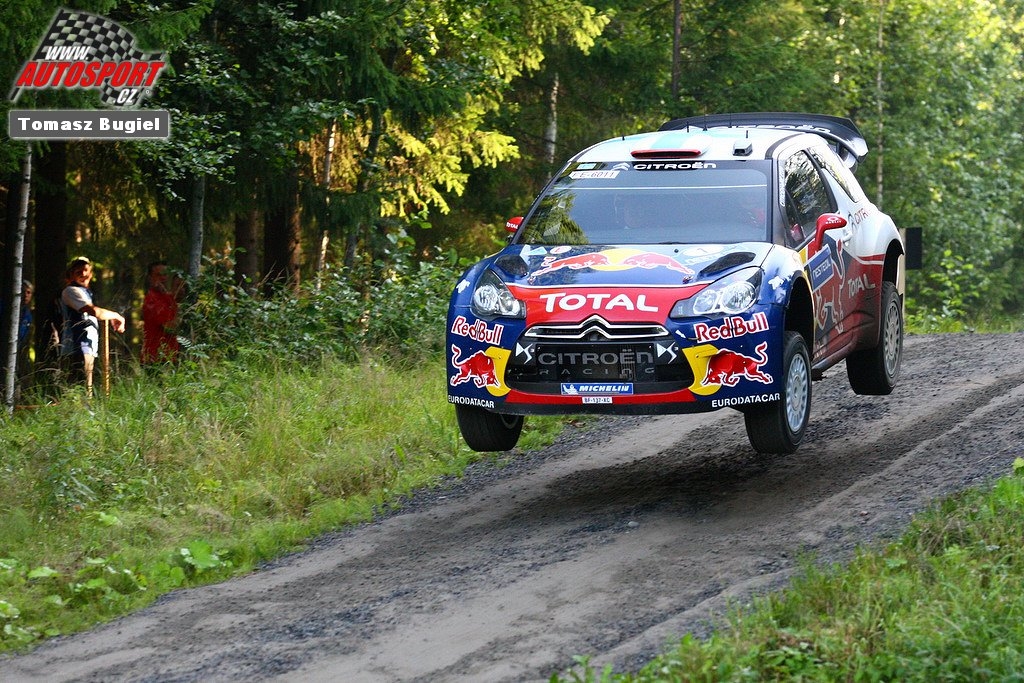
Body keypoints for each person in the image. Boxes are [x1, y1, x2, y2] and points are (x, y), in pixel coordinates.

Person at [60, 257, 125, 392]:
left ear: (91, 274)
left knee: (86, 388)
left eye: (86, 270)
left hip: (88, 347)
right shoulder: (71, 291)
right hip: (76, 347)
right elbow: (94, 312)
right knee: (79, 389)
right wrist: (116, 316)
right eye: (78, 271)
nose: (83, 274)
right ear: (71, 274)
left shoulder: (87, 293)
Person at [141, 260, 180, 364]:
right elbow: (170, 327)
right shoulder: (152, 299)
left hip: (169, 357)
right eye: (158, 275)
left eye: (165, 275)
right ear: (150, 278)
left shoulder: (168, 297)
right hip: (155, 359)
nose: (163, 278)